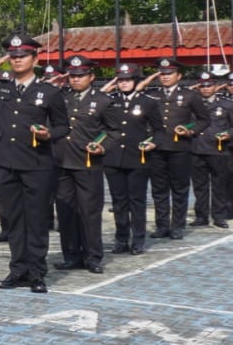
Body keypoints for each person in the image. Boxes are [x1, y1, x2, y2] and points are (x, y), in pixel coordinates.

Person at [0, 33, 70, 294]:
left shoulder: (49, 92)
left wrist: (48, 134)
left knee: (36, 218)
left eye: (22, 56)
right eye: (13, 56)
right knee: (13, 219)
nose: (17, 60)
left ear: (35, 58)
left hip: (36, 162)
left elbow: (63, 126)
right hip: (4, 161)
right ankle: (17, 269)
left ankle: (37, 273)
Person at [52, 56, 109, 274]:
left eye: (81, 76)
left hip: (87, 163)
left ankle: (93, 256)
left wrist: (103, 146)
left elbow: (113, 131)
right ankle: (71, 254)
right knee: (65, 211)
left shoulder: (103, 101)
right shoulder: (61, 98)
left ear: (91, 77)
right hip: (62, 162)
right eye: (73, 76)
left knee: (89, 212)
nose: (76, 80)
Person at [145, 56, 207, 241]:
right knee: (159, 189)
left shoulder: (190, 95)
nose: (165, 77)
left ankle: (177, 226)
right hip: (156, 148)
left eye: (169, 73)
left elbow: (204, 119)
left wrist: (189, 130)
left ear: (178, 76)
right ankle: (162, 225)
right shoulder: (152, 95)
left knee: (179, 188)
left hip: (180, 148)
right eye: (162, 74)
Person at [101, 64, 161, 254]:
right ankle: (121, 239)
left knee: (137, 200)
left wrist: (154, 143)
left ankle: (138, 239)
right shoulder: (109, 101)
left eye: (128, 80)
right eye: (121, 80)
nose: (124, 83)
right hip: (113, 158)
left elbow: (159, 130)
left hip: (138, 157)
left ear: (136, 81)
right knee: (118, 201)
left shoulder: (148, 102)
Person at [188, 71, 232, 229]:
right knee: (200, 186)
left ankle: (219, 216)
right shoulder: (193, 103)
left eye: (209, 85)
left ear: (216, 86)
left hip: (218, 150)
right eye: (203, 86)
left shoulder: (227, 104)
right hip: (197, 149)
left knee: (219, 185)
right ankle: (201, 216)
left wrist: (229, 134)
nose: (206, 88)